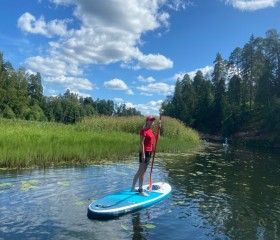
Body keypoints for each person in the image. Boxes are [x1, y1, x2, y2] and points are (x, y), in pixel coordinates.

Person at [131, 115, 158, 196]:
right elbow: (142, 143)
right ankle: (140, 190)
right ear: (147, 121)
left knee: (140, 171)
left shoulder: (151, 131)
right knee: (142, 172)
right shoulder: (144, 131)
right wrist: (143, 154)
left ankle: (132, 188)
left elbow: (154, 139)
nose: (152, 122)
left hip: (149, 152)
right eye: (150, 120)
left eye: (153, 120)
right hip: (145, 152)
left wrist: (158, 129)